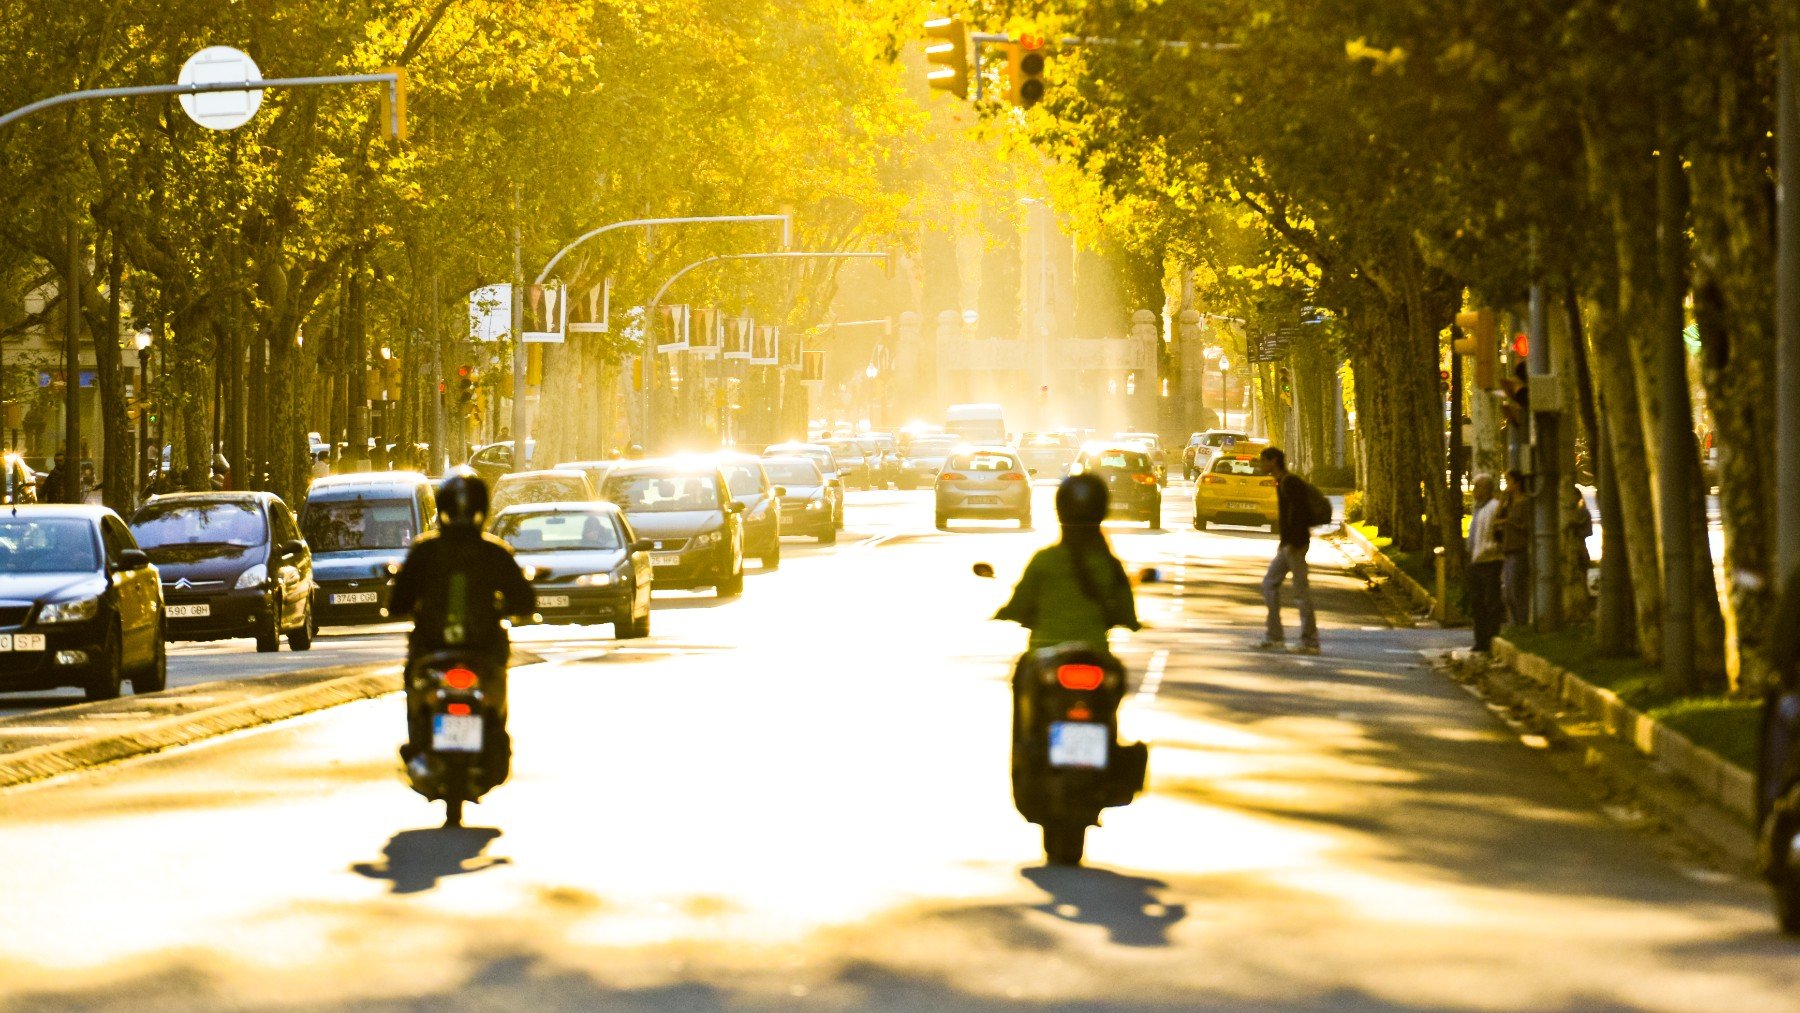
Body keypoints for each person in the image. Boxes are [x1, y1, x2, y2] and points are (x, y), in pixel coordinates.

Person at [388, 468, 535, 784]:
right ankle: (486, 734)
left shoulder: (424, 551)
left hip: (432, 647)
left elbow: (398, 601)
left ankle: (419, 741)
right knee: (494, 703)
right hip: (484, 650)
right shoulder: (494, 552)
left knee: (414, 691)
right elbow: (524, 600)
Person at [995, 473, 1141, 650]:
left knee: (1020, 675)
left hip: (1045, 652)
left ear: (1061, 511)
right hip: (1094, 651)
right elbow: (1127, 612)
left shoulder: (1044, 559)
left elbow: (1018, 605)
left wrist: (1004, 613)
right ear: (1101, 511)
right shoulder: (1109, 563)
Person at [1257, 446, 1320, 653]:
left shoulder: (1290, 482)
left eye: (1263, 460)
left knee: (1301, 592)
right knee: (1269, 584)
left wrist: (1293, 541)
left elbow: (1300, 512)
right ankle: (1275, 636)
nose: (1261, 465)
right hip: (1287, 545)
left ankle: (1310, 642)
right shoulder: (1281, 482)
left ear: (1273, 461)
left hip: (1295, 544)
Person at [1467, 473, 1506, 653]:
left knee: (1490, 602)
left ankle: (1491, 637)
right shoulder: (1478, 509)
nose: (1474, 491)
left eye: (1477, 487)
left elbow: (1498, 535)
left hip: (1490, 561)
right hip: (1477, 561)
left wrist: (1489, 549)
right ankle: (1480, 640)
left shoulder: (1494, 508)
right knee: (1477, 603)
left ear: (1487, 489)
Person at [1499, 469, 1532, 626]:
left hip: (1519, 550)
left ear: (1517, 483)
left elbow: (1526, 526)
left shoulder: (1525, 503)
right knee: (1507, 591)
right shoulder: (1510, 503)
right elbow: (1497, 515)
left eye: (1509, 481)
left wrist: (1508, 523)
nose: (1507, 485)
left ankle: (1521, 622)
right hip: (1508, 550)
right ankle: (1516, 622)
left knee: (1516, 591)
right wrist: (1503, 497)